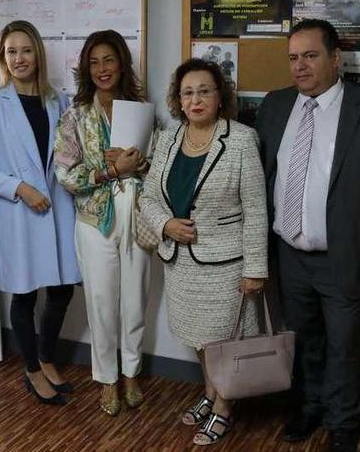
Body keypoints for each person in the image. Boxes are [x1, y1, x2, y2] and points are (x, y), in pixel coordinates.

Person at [255, 18, 360, 452]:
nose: (300, 67)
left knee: (344, 345)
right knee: (303, 339)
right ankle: (309, 406)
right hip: (289, 253)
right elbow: (261, 176)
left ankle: (344, 423)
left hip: (346, 253)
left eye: (310, 56)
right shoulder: (276, 105)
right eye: (293, 58)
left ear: (336, 58)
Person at [140, 58, 267, 446]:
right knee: (198, 339)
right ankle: (211, 394)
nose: (196, 100)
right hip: (180, 263)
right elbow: (148, 195)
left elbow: (256, 208)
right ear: (178, 100)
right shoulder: (169, 138)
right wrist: (165, 225)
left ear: (219, 96)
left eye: (204, 91)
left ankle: (225, 408)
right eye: (187, 92)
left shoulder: (242, 139)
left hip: (226, 265)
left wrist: (256, 269)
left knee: (223, 341)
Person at [0, 20, 80, 406]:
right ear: (2, 58)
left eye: (26, 50)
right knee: (24, 293)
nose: (19, 59)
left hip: (58, 208)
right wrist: (20, 188)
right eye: (11, 52)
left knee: (63, 289)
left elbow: (68, 156)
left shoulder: (59, 101)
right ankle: (31, 369)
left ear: (38, 55)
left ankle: (47, 358)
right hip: (20, 211)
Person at [54, 29, 152, 417]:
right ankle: (107, 378)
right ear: (85, 69)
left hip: (138, 215)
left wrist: (139, 164)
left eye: (108, 60)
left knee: (135, 300)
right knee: (101, 302)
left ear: (122, 64)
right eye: (93, 62)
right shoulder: (75, 116)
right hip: (95, 220)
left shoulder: (141, 110)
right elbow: (65, 175)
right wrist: (111, 169)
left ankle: (131, 372)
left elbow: (156, 165)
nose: (101, 69)